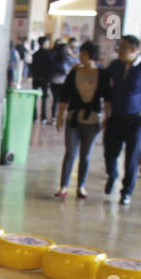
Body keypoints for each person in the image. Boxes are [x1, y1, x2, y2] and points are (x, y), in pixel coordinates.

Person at [101, 35, 141, 207]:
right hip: (116, 118)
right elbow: (103, 81)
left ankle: (126, 192)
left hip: (136, 120)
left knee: (132, 158)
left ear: (133, 49)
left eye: (123, 47)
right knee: (110, 152)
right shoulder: (116, 65)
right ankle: (112, 174)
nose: (119, 50)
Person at [54, 39, 111, 200]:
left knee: (86, 154)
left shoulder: (103, 75)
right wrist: (60, 116)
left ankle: (81, 186)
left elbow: (107, 99)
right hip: (73, 118)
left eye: (84, 54)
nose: (81, 57)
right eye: (81, 53)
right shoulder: (74, 73)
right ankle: (64, 186)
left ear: (92, 56)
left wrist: (108, 118)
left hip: (93, 120)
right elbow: (64, 96)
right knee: (70, 152)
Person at [29, 36, 53, 123]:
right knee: (44, 98)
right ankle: (43, 117)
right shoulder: (49, 54)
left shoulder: (35, 54)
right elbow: (51, 67)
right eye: (47, 42)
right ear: (44, 43)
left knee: (34, 98)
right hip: (45, 79)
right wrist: (49, 79)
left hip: (36, 78)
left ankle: (34, 117)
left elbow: (32, 66)